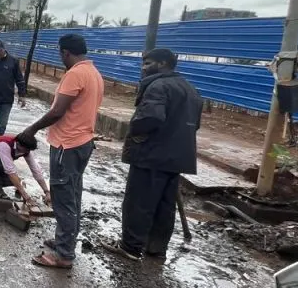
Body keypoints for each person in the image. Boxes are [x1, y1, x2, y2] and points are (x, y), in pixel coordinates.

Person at [104, 48, 203, 261]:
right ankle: (156, 248)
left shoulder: (158, 86)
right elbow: (195, 125)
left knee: (139, 203)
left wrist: (135, 132)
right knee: (164, 206)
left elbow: (150, 118)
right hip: (177, 157)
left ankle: (130, 246)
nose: (143, 68)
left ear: (163, 64)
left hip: (152, 155)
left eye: (147, 63)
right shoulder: (191, 89)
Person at [19, 34, 104, 270]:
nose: (60, 57)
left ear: (65, 52)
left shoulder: (75, 74)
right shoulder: (94, 73)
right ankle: (64, 242)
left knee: (64, 200)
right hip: (82, 142)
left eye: (60, 54)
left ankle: (65, 255)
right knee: (73, 196)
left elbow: (58, 111)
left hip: (68, 144)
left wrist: (32, 128)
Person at [0, 132, 50, 208]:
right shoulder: (4, 144)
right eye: (26, 150)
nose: (27, 152)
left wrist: (47, 192)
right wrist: (25, 195)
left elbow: (36, 170)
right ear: (18, 144)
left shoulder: (26, 149)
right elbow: (10, 171)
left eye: (28, 150)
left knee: (14, 181)